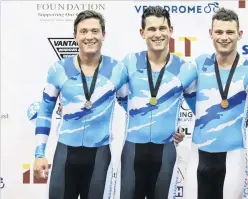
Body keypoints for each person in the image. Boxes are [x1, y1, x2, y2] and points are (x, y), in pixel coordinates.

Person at [32, 10, 128, 199]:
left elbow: (132, 109)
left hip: (100, 156)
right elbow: (44, 112)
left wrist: (167, 131)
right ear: (75, 36)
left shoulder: (117, 70)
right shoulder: (58, 69)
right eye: (83, 31)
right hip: (65, 155)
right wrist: (39, 153)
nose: (89, 36)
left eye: (94, 31)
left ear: (103, 35)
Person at [183, 8, 248, 199]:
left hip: (233, 159)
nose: (224, 37)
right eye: (219, 32)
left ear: (239, 35)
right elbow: (174, 89)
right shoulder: (199, 64)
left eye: (230, 32)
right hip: (198, 157)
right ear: (210, 34)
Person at [114, 6, 196, 199]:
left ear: (171, 30)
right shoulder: (129, 62)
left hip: (165, 151)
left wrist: (182, 128)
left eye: (162, 28)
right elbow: (108, 93)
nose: (157, 34)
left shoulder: (185, 69)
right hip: (133, 150)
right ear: (142, 33)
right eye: (151, 29)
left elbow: (200, 109)